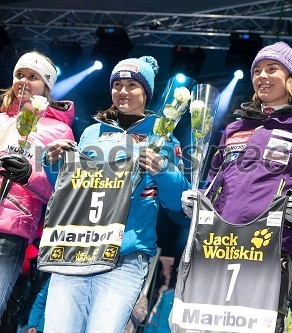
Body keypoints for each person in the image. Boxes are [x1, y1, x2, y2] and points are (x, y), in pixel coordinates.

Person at [181, 41, 292, 332]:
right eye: (257, 70)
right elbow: (214, 183)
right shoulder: (235, 127)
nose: (262, 76)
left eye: (272, 69)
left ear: (291, 78)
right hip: (217, 244)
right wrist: (197, 201)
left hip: (270, 249)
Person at [42, 56, 190, 333]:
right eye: (117, 84)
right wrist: (51, 164)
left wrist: (164, 170)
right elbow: (67, 190)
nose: (123, 91)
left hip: (127, 256)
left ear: (146, 92)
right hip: (75, 248)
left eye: (132, 85)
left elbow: (176, 202)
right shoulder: (90, 133)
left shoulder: (164, 138)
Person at [0, 51, 75, 320]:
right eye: (19, 75)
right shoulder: (0, 120)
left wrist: (28, 176)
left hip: (9, 231)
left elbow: (60, 192)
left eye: (33, 77)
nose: (24, 81)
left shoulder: (59, 131)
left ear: (47, 87)